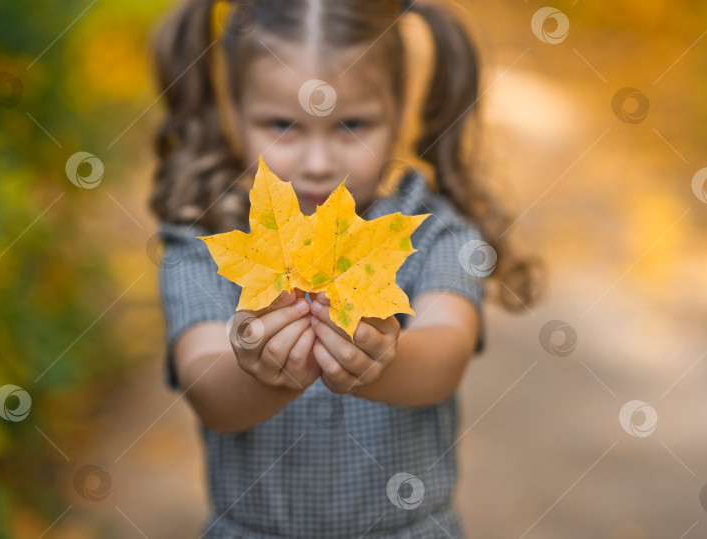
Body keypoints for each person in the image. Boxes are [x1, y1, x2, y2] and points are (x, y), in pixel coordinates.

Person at [149, 0, 542, 536]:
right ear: (235, 115)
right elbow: (207, 385)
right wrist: (265, 375)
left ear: (401, 111)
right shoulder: (207, 245)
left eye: (351, 125)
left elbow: (446, 350)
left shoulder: (429, 233)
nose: (318, 162)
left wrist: (383, 360)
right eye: (283, 125)